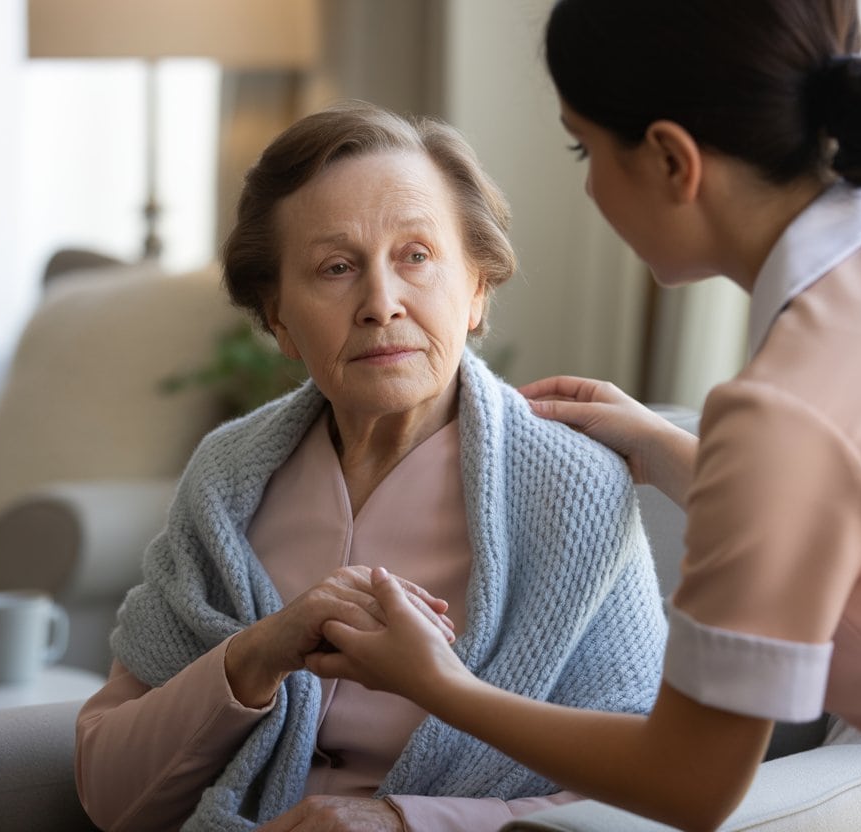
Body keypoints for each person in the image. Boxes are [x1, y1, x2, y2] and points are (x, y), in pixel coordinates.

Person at [305, 2, 861, 830]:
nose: (583, 182)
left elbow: (690, 782)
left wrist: (437, 682)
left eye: (584, 147)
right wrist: (669, 451)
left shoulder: (785, 412)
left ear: (671, 161)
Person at [73, 101, 667, 831]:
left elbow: (643, 793)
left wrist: (406, 823)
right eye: (336, 267)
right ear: (280, 318)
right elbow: (109, 793)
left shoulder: (572, 490)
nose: (381, 304)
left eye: (416, 256)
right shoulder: (227, 483)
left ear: (477, 287)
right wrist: (254, 656)